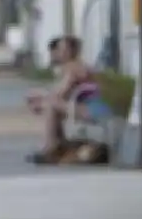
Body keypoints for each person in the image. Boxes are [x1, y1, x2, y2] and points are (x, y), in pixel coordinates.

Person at [24, 35, 111, 164]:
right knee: (50, 104)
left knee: (51, 104)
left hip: (93, 109)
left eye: (61, 49)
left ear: (70, 51)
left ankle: (50, 146)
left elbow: (59, 92)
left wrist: (40, 97)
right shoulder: (75, 66)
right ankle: (56, 146)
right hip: (89, 107)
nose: (58, 52)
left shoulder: (73, 68)